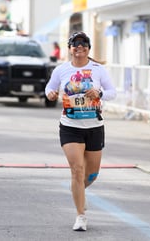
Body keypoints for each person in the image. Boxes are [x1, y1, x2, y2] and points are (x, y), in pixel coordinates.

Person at [45, 31, 116, 231]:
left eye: (83, 44)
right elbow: (49, 88)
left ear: (88, 48)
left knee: (91, 175)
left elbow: (113, 92)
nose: (79, 47)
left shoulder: (98, 70)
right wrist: (50, 94)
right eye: (75, 44)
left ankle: (79, 193)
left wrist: (100, 93)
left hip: (94, 126)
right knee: (77, 170)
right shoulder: (61, 70)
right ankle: (80, 216)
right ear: (70, 48)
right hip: (70, 127)